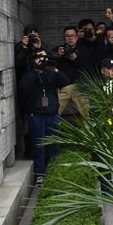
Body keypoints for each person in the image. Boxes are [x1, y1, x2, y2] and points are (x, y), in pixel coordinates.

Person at [18, 49, 69, 184]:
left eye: (45, 57)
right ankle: (40, 173)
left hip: (53, 114)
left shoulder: (51, 73)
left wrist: (56, 70)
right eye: (40, 57)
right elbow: (23, 86)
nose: (43, 60)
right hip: (37, 115)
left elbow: (65, 82)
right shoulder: (30, 74)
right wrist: (36, 70)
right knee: (39, 145)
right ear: (34, 59)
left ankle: (52, 171)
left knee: (54, 145)